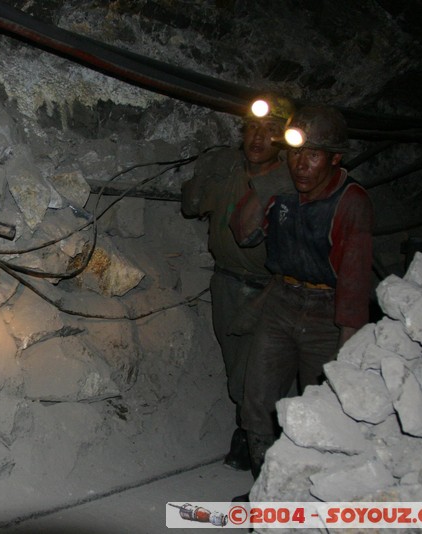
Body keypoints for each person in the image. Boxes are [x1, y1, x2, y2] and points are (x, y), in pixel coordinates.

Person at [229, 104, 374, 479]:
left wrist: (348, 349)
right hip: (282, 301)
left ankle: (312, 489)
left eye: (312, 155)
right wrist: (270, 183)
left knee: (321, 406)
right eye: (294, 153)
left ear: (335, 158)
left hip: (328, 312)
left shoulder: (350, 200)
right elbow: (243, 232)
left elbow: (355, 282)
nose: (301, 164)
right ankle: (265, 488)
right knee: (257, 398)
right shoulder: (283, 191)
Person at [180, 94, 296, 471]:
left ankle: (256, 436)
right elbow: (191, 205)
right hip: (226, 284)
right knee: (236, 367)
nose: (259, 139)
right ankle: (249, 431)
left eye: (270, 132)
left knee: (257, 372)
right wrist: (201, 175)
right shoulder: (230, 171)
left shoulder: (290, 182)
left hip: (268, 289)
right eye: (252, 129)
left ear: (283, 139)